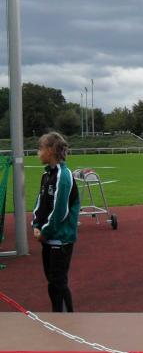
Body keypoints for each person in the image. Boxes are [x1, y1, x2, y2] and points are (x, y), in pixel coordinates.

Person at [32, 132, 80, 312]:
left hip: (60, 239)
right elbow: (40, 204)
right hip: (48, 238)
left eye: (40, 148)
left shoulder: (63, 175)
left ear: (51, 150)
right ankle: (58, 316)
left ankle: (65, 321)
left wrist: (44, 232)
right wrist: (36, 225)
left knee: (58, 283)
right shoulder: (47, 175)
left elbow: (60, 211)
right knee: (52, 282)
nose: (38, 153)